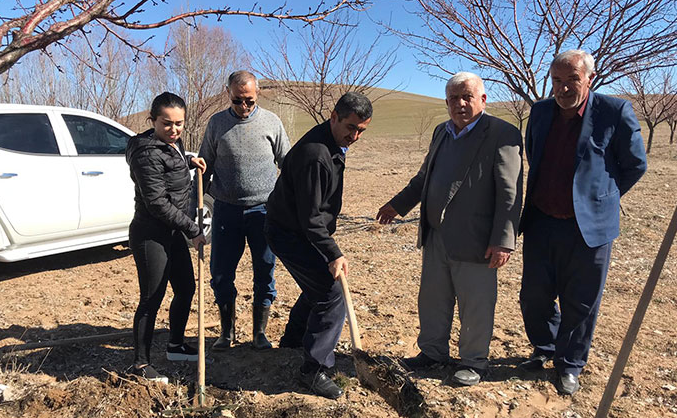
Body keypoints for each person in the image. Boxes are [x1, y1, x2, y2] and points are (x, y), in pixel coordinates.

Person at [376, 72, 523, 386]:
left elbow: (510, 192)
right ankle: (432, 353)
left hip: (477, 240)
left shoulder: (502, 134)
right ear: (446, 103)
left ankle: (473, 362)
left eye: (467, 96)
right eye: (454, 98)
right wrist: (397, 205)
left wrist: (503, 240)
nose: (460, 104)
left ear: (483, 99)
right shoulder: (441, 132)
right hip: (436, 235)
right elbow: (423, 180)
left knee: (476, 305)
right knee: (433, 299)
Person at [518, 50, 647, 395]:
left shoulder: (614, 112)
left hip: (589, 227)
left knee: (582, 300)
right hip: (542, 220)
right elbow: (535, 154)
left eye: (572, 79)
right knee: (534, 295)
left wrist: (600, 198)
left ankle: (570, 363)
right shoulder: (540, 112)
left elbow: (635, 164)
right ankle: (544, 348)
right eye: (557, 81)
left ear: (589, 77)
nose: (562, 88)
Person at [264, 92, 373, 399]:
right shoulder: (316, 155)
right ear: (334, 116)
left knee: (318, 286)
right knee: (331, 293)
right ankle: (313, 370)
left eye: (361, 130)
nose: (355, 136)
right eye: (350, 127)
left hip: (302, 228)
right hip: (289, 231)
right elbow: (310, 218)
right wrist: (333, 252)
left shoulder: (334, 143)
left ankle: (293, 341)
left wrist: (327, 247)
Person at [199, 71, 291, 351]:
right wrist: (195, 201)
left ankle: (259, 333)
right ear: (227, 92)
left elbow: (288, 163)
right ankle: (227, 332)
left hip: (264, 211)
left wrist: (289, 203)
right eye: (238, 100)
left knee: (265, 270)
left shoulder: (271, 122)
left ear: (258, 93)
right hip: (226, 210)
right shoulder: (216, 124)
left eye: (249, 101)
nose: (244, 107)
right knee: (221, 273)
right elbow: (206, 166)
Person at [124, 92, 208, 381]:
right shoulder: (145, 153)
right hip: (151, 235)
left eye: (179, 124)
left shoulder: (172, 144)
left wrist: (190, 161)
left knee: (185, 288)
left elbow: (172, 162)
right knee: (152, 297)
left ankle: (175, 344)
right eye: (167, 124)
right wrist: (194, 229)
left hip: (172, 233)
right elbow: (158, 204)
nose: (174, 130)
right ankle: (139, 365)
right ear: (153, 120)